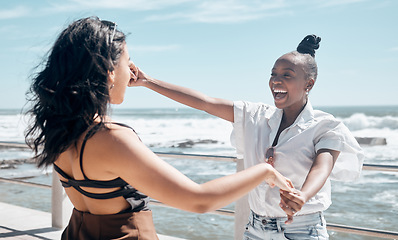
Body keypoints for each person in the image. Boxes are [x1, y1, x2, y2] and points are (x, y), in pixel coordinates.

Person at [24, 16, 294, 240]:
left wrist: (148, 80)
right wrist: (264, 171)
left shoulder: (61, 128)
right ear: (108, 71)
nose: (131, 72)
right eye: (125, 62)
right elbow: (198, 200)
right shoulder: (112, 138)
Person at [130, 35, 364, 239]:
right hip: (254, 229)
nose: (276, 81)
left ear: (309, 84)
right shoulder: (255, 115)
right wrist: (147, 82)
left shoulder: (326, 126)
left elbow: (322, 168)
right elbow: (205, 102)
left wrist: (302, 195)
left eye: (287, 75)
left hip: (301, 231)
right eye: (273, 74)